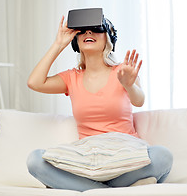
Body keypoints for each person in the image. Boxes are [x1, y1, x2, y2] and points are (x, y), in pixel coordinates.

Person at [26, 14, 173, 192]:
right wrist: (58, 44)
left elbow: (139, 100)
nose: (89, 31)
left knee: (163, 156)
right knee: (35, 160)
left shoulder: (123, 72)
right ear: (75, 41)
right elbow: (34, 82)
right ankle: (113, 191)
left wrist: (129, 85)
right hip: (88, 158)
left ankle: (91, 190)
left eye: (97, 28)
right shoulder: (71, 78)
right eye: (82, 30)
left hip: (125, 156)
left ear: (108, 39)